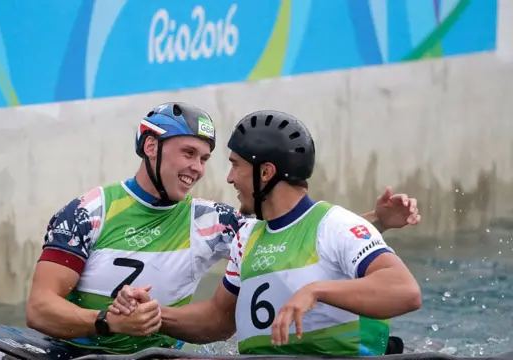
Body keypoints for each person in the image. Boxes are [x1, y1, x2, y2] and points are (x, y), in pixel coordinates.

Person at [26, 102, 420, 355]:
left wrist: (374, 221)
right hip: (80, 352)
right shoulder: (87, 212)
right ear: (151, 147)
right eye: (188, 153)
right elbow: (39, 308)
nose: (201, 169)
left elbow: (300, 234)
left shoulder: (215, 222)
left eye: (207, 158)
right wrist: (110, 321)